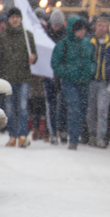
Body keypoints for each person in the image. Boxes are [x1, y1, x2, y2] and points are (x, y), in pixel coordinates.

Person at [0, 6, 37, 147]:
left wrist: (33, 58)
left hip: (23, 77)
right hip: (7, 78)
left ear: (21, 19)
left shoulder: (27, 35)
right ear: (8, 20)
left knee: (23, 108)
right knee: (9, 109)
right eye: (12, 17)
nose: (15, 20)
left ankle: (22, 135)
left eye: (17, 17)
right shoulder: (2, 37)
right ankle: (12, 135)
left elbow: (34, 55)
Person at [51, 16, 96, 150]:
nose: (82, 32)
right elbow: (55, 63)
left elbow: (93, 60)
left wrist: (91, 71)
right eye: (79, 29)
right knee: (74, 108)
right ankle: (73, 138)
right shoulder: (63, 44)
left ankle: (76, 134)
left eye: (83, 29)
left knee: (82, 110)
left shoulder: (87, 44)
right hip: (69, 82)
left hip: (84, 82)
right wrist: (67, 73)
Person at [87, 15, 110, 148]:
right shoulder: (89, 42)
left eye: (105, 26)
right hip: (91, 81)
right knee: (91, 110)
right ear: (95, 27)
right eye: (100, 25)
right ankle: (91, 134)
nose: (102, 28)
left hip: (105, 82)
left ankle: (101, 137)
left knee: (102, 110)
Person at [44, 8, 67, 144]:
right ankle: (53, 131)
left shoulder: (66, 37)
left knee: (63, 104)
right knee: (51, 105)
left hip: (61, 74)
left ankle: (62, 129)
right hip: (49, 74)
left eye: (59, 25)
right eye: (55, 24)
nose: (56, 27)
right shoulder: (45, 35)